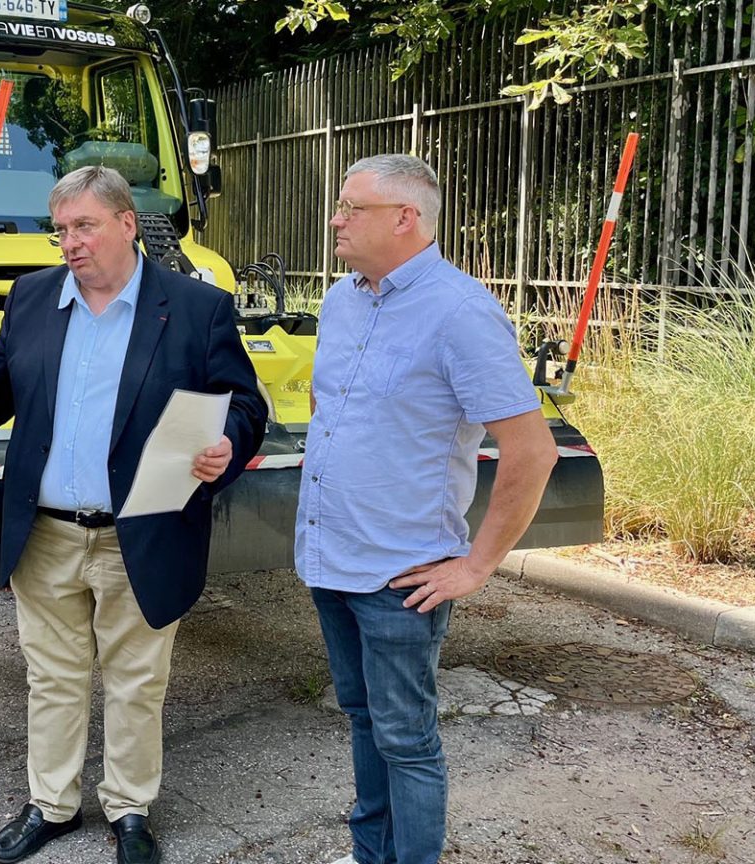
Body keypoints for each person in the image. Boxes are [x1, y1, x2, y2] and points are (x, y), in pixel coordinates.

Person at [0, 166, 266, 864]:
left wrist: (227, 446)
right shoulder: (32, 298)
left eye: (83, 226)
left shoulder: (194, 306)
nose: (69, 243)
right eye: (60, 230)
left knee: (137, 682)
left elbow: (246, 403)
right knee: (51, 678)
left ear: (125, 224)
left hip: (142, 530)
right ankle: (52, 805)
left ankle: (129, 810)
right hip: (47, 531)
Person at [296, 154, 559, 864]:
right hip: (330, 558)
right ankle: (370, 853)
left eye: (352, 207)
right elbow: (329, 404)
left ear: (406, 219)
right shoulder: (339, 299)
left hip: (402, 574)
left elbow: (531, 451)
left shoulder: (461, 311)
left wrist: (476, 565)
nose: (336, 219)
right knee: (361, 719)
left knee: (406, 739)